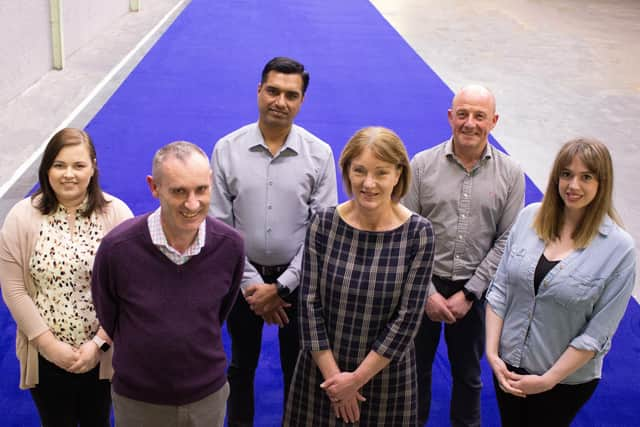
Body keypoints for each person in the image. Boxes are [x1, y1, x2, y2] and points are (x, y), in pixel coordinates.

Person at [210, 56, 337, 426]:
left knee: (298, 370)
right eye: (273, 91)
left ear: (301, 101)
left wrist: (281, 288)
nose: (280, 101)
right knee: (240, 366)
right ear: (259, 91)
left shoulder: (319, 154)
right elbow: (219, 224)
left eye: (290, 95)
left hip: (299, 283)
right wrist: (254, 287)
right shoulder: (227, 149)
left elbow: (321, 231)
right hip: (239, 281)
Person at [284, 126, 435, 426]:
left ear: (398, 175)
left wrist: (355, 381)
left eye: (381, 172)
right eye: (359, 171)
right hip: (323, 376)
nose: (369, 183)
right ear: (347, 172)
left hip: (385, 379)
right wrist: (337, 382)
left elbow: (407, 320)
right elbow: (309, 304)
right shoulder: (324, 223)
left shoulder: (419, 233)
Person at [91, 141, 244, 427]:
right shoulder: (117, 249)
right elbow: (108, 314)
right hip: (139, 401)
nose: (192, 204)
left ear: (211, 182)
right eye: (178, 191)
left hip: (206, 398)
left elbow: (219, 311)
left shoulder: (231, 246)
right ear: (154, 187)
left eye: (201, 189)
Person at [485, 137, 636, 426]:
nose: (573, 185)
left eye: (586, 177)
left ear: (602, 183)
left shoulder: (619, 249)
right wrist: (493, 354)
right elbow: (500, 290)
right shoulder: (529, 217)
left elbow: (597, 333)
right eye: (566, 174)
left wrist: (548, 380)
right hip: (507, 366)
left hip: (563, 382)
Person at [403, 84, 525, 426]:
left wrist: (471, 292)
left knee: (469, 377)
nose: (470, 123)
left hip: (475, 292)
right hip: (422, 287)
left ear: (494, 121)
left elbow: (508, 240)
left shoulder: (511, 174)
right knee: (414, 373)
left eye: (479, 116)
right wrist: (427, 293)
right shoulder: (422, 165)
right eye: (462, 114)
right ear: (450, 117)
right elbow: (405, 231)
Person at [0, 128, 132, 427]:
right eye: (59, 165)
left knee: (98, 420)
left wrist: (99, 344)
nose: (68, 174)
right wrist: (49, 346)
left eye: (78, 165)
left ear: (93, 167)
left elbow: (129, 288)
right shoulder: (21, 218)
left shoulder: (117, 215)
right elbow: (14, 289)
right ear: (46, 168)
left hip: (103, 354)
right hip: (45, 355)